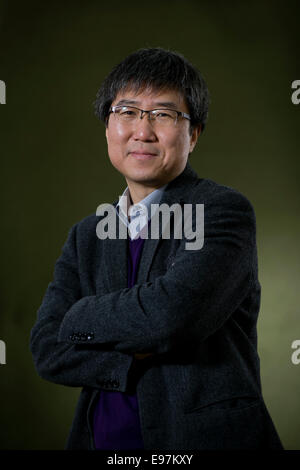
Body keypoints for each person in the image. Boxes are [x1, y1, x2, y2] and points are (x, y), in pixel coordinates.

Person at [30, 47, 284, 450]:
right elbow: (46, 348)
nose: (142, 131)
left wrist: (79, 314)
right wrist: (134, 354)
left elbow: (171, 316)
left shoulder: (221, 211)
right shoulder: (86, 236)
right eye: (127, 112)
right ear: (108, 127)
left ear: (194, 133)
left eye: (163, 114)